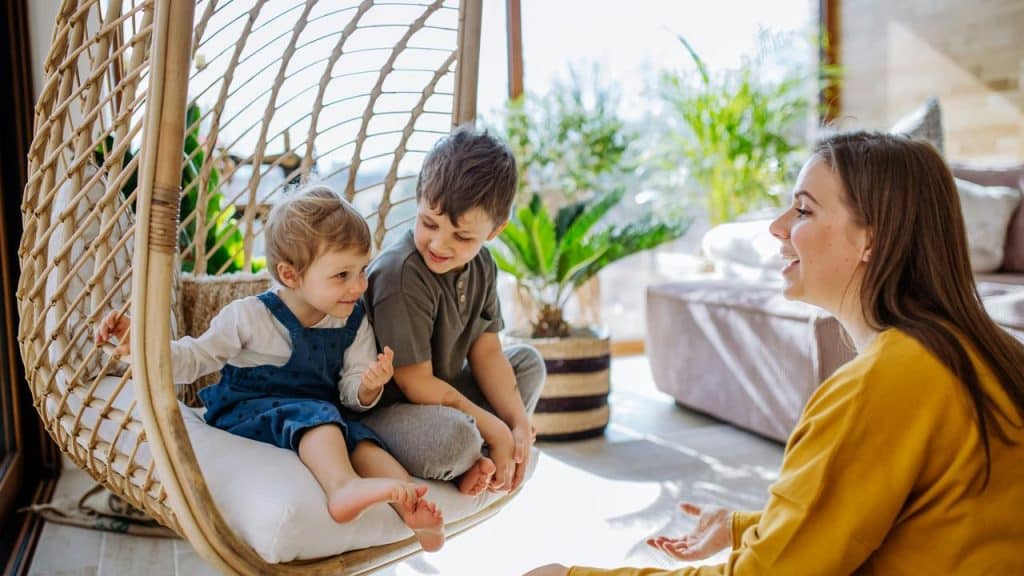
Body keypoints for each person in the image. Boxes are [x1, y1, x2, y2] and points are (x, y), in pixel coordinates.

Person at [526, 131, 1024, 575]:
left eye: (804, 209)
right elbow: (899, 516)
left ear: (871, 237)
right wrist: (748, 527)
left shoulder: (882, 384)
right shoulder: (987, 349)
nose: (778, 226)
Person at [95, 186, 445, 551]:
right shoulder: (250, 316)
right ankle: (342, 488)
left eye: (362, 270)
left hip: (319, 419)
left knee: (361, 440)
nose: (359, 286)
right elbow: (194, 359)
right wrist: (141, 346)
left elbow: (349, 393)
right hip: (248, 411)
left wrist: (368, 387)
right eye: (342, 275)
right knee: (321, 417)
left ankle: (415, 509)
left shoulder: (352, 320)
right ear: (290, 275)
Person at [361, 126, 546, 496]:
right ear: (418, 201)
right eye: (429, 223)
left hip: (447, 395)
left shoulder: (482, 266)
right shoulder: (400, 274)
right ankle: (473, 454)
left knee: (527, 363)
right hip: (391, 410)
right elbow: (416, 384)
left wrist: (517, 423)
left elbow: (487, 351)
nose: (439, 244)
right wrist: (495, 428)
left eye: (463, 237)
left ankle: (482, 456)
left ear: (495, 231)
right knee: (456, 439)